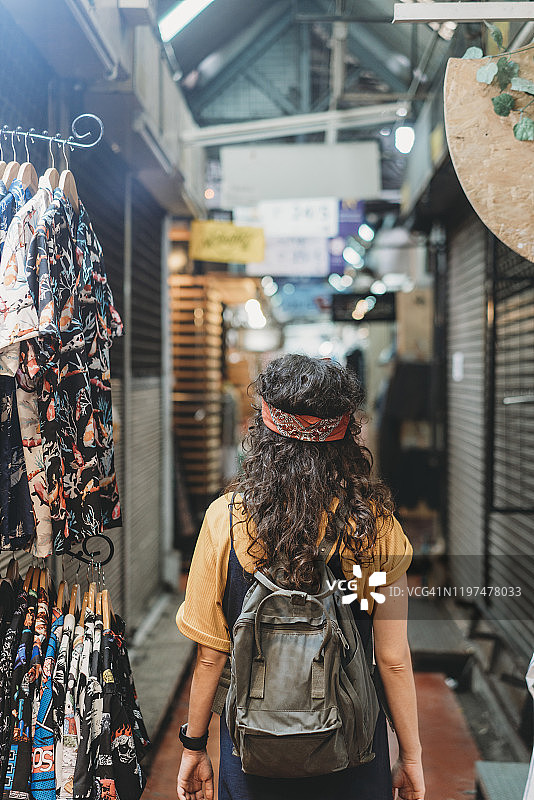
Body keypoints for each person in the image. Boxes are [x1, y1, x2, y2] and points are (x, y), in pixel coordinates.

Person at [175, 354, 425, 800]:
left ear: (262, 431)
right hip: (352, 749)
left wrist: (194, 746)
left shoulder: (226, 520)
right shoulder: (371, 528)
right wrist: (411, 754)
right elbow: (392, 659)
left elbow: (212, 656)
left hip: (253, 752)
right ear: (349, 434)